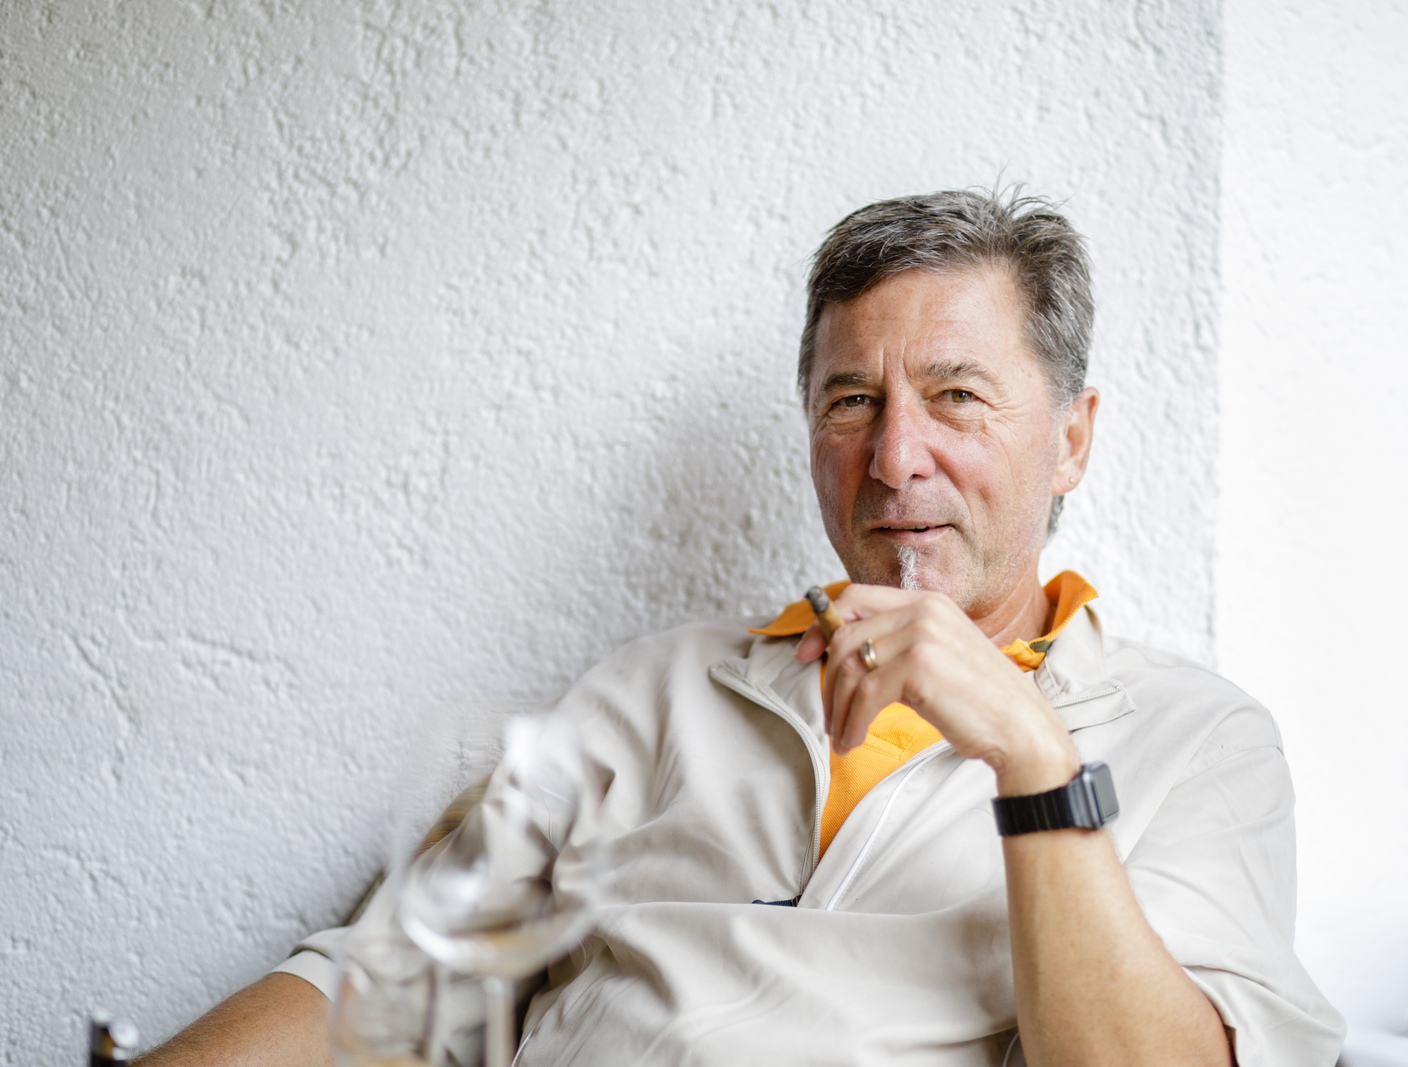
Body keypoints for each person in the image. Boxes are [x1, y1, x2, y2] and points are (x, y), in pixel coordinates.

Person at [136, 188, 1345, 1066]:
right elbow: (388, 980)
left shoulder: (1198, 740)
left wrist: (1031, 759)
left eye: (956, 397)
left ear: (1071, 437)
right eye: (851, 400)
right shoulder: (654, 689)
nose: (895, 456)